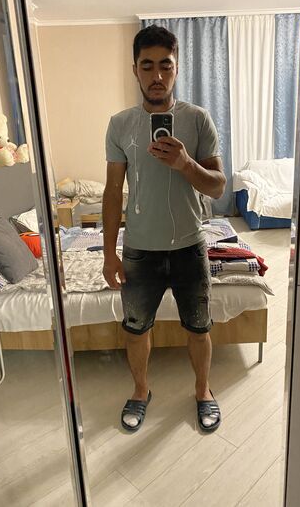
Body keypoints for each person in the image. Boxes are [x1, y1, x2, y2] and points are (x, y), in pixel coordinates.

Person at [102, 25, 226, 433]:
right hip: (140, 250)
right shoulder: (120, 124)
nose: (156, 75)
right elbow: (112, 192)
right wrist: (109, 253)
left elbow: (218, 186)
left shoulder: (198, 119)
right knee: (136, 329)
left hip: (190, 245)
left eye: (165, 66)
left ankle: (203, 391)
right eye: (147, 65)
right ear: (135, 70)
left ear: (177, 68)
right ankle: (141, 391)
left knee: (199, 328)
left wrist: (185, 164)